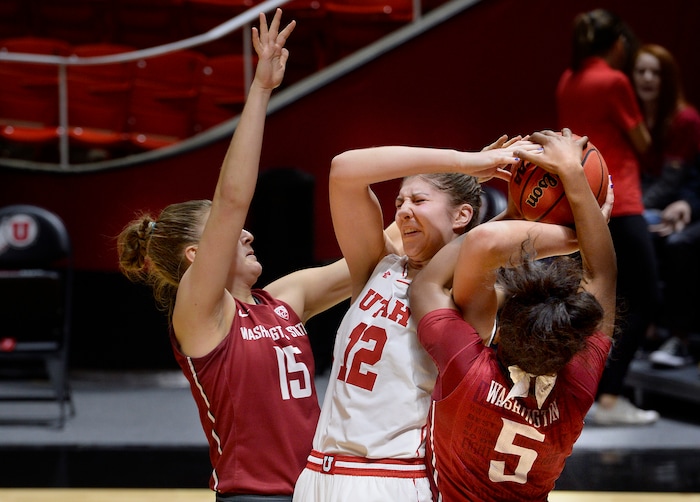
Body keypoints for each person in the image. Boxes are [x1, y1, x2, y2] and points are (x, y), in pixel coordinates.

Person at [117, 10, 351, 501]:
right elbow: (231, 200)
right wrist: (261, 90)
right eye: (226, 234)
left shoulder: (282, 298)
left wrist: (459, 198)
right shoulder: (200, 311)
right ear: (197, 255)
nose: (245, 234)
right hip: (254, 495)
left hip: (317, 492)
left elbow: (374, 259)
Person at [292, 135, 540, 502]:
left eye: (419, 200)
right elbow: (344, 170)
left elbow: (486, 244)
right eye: (399, 202)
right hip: (317, 474)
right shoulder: (378, 266)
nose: (403, 210)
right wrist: (464, 162)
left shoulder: (468, 293)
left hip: (393, 477)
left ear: (462, 215)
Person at [409, 129, 617, 501]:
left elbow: (429, 284)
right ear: (573, 341)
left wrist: (527, 215)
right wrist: (574, 178)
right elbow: (601, 274)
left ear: (500, 329)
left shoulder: (469, 371)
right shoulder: (577, 388)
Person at [556, 8, 660, 425]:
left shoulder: (568, 80)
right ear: (618, 45)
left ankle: (577, 392)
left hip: (582, 205)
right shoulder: (615, 81)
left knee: (591, 300)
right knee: (647, 300)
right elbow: (644, 141)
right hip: (624, 202)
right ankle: (611, 398)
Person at [633, 43, 700, 369]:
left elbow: (678, 180)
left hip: (686, 202)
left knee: (667, 238)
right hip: (655, 201)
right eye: (641, 71)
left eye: (655, 73)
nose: (647, 78)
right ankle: (641, 331)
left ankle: (678, 338)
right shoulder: (635, 117)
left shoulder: (685, 119)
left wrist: (686, 204)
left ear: (668, 78)